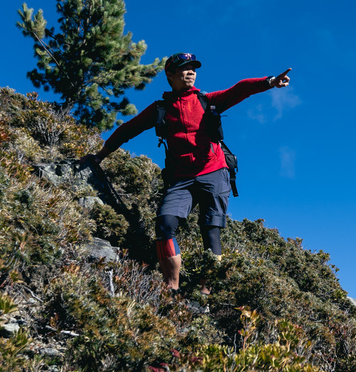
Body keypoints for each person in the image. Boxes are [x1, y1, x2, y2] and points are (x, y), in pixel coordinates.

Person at [82, 52, 291, 292]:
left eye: (193, 68)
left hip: (214, 170)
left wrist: (269, 82)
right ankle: (171, 287)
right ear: (170, 75)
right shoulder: (161, 109)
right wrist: (99, 156)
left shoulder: (207, 100)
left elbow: (239, 89)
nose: (191, 71)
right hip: (181, 177)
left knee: (211, 229)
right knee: (164, 224)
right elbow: (129, 129)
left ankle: (205, 292)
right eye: (184, 68)